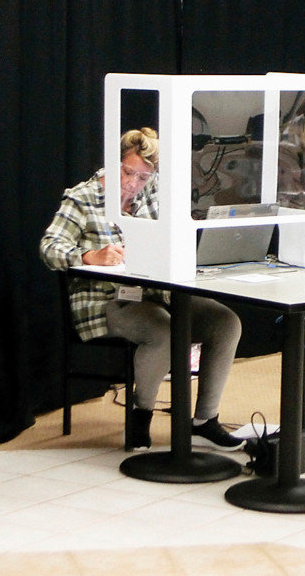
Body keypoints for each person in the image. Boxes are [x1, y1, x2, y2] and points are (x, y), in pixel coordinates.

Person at [40, 127, 245, 451]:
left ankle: (204, 421)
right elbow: (49, 247)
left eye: (143, 177)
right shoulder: (82, 197)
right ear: (114, 162)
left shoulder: (154, 191)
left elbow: (175, 231)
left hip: (157, 292)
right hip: (106, 299)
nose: (132, 183)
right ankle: (141, 416)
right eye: (128, 172)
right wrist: (89, 255)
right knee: (163, 331)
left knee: (225, 322)